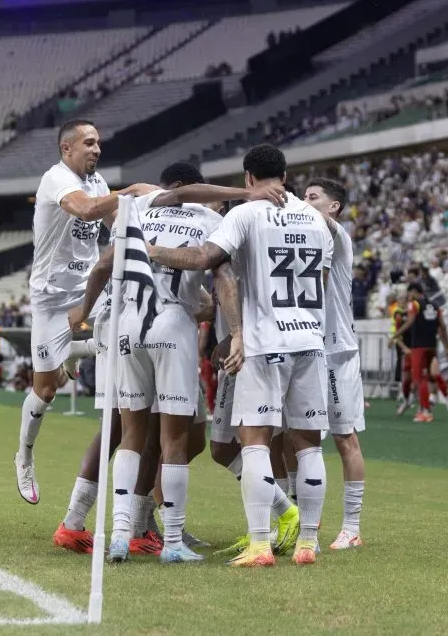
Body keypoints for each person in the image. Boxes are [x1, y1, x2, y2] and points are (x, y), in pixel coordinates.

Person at [51, 162, 288, 559]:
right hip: (172, 324)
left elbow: (104, 266)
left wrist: (82, 312)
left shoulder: (140, 210)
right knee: (171, 438)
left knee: (131, 433)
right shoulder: (212, 220)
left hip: (128, 323)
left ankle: (122, 533)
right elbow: (223, 277)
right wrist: (235, 332)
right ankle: (172, 541)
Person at [148, 143, 333, 567]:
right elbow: (320, 281)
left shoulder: (246, 214)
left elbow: (205, 258)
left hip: (263, 343)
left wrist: (153, 250)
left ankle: (261, 544)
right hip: (309, 340)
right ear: (284, 176)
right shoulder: (316, 220)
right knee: (309, 446)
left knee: (254, 443)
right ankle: (308, 543)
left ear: (249, 178)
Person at [14, 118, 155, 505]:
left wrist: (150, 220)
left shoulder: (98, 182)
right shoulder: (55, 179)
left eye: (98, 143)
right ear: (67, 148)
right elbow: (88, 210)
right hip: (51, 297)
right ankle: (24, 455)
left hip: (90, 288)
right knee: (46, 390)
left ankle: (80, 349)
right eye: (89, 143)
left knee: (126, 333)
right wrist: (131, 192)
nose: (97, 149)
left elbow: (113, 220)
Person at [304, 178, 366, 550]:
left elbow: (320, 222)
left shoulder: (339, 236)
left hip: (336, 352)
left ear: (334, 206)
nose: (305, 202)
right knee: (300, 437)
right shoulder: (306, 239)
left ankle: (352, 527)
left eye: (313, 198)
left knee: (345, 438)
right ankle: (303, 521)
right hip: (307, 347)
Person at [395, 282, 448, 423]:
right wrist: (447, 347)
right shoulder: (436, 306)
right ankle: (427, 405)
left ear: (414, 292)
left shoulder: (414, 305)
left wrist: (395, 334)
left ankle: (425, 411)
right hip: (432, 346)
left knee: (420, 379)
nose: (409, 297)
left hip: (418, 347)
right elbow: (442, 327)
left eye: (409, 293)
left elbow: (410, 321)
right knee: (431, 376)